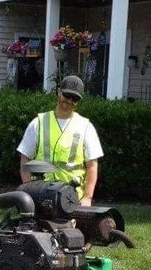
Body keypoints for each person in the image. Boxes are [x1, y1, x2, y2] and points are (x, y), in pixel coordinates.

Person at [17, 75, 103, 206]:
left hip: (72, 197)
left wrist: (87, 197)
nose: (69, 101)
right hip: (41, 194)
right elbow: (25, 158)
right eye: (67, 95)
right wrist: (28, 189)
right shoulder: (39, 123)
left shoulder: (85, 127)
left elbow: (92, 165)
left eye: (75, 99)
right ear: (59, 91)